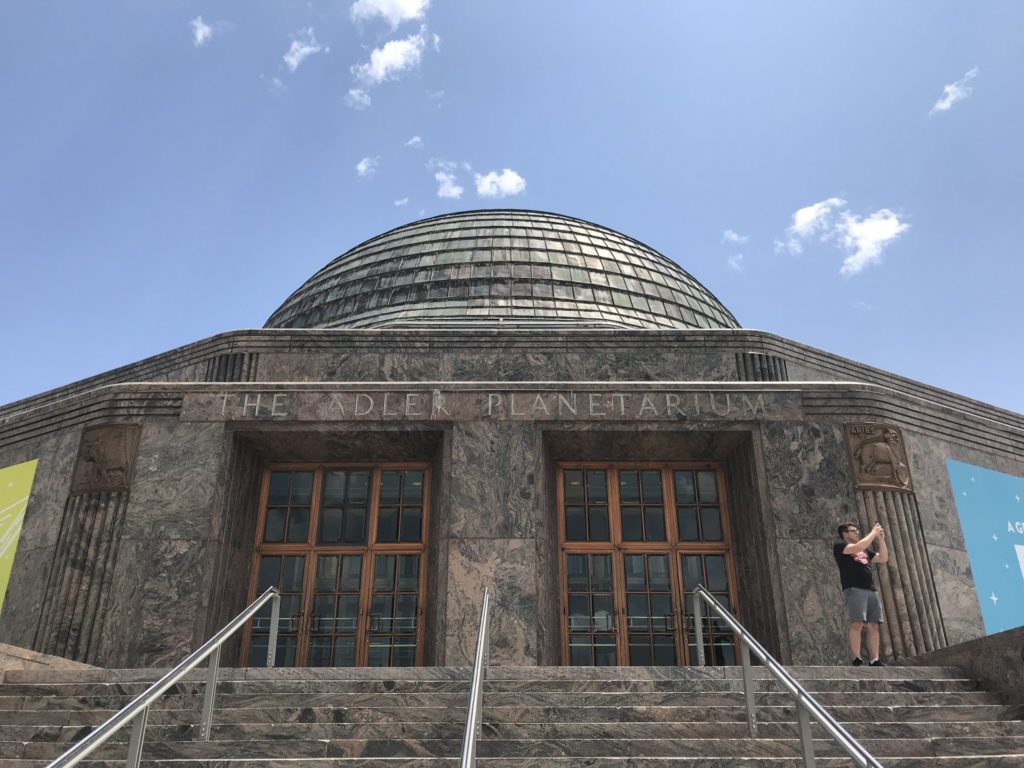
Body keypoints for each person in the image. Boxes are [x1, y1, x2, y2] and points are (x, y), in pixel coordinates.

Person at [833, 522, 889, 666]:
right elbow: (857, 547)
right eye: (853, 531)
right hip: (854, 588)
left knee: (874, 624)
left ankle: (874, 659)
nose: (857, 532)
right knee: (857, 622)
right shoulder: (840, 547)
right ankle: (857, 657)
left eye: (857, 530)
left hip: (871, 590)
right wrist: (873, 532)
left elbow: (883, 558)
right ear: (845, 534)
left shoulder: (865, 552)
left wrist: (881, 539)